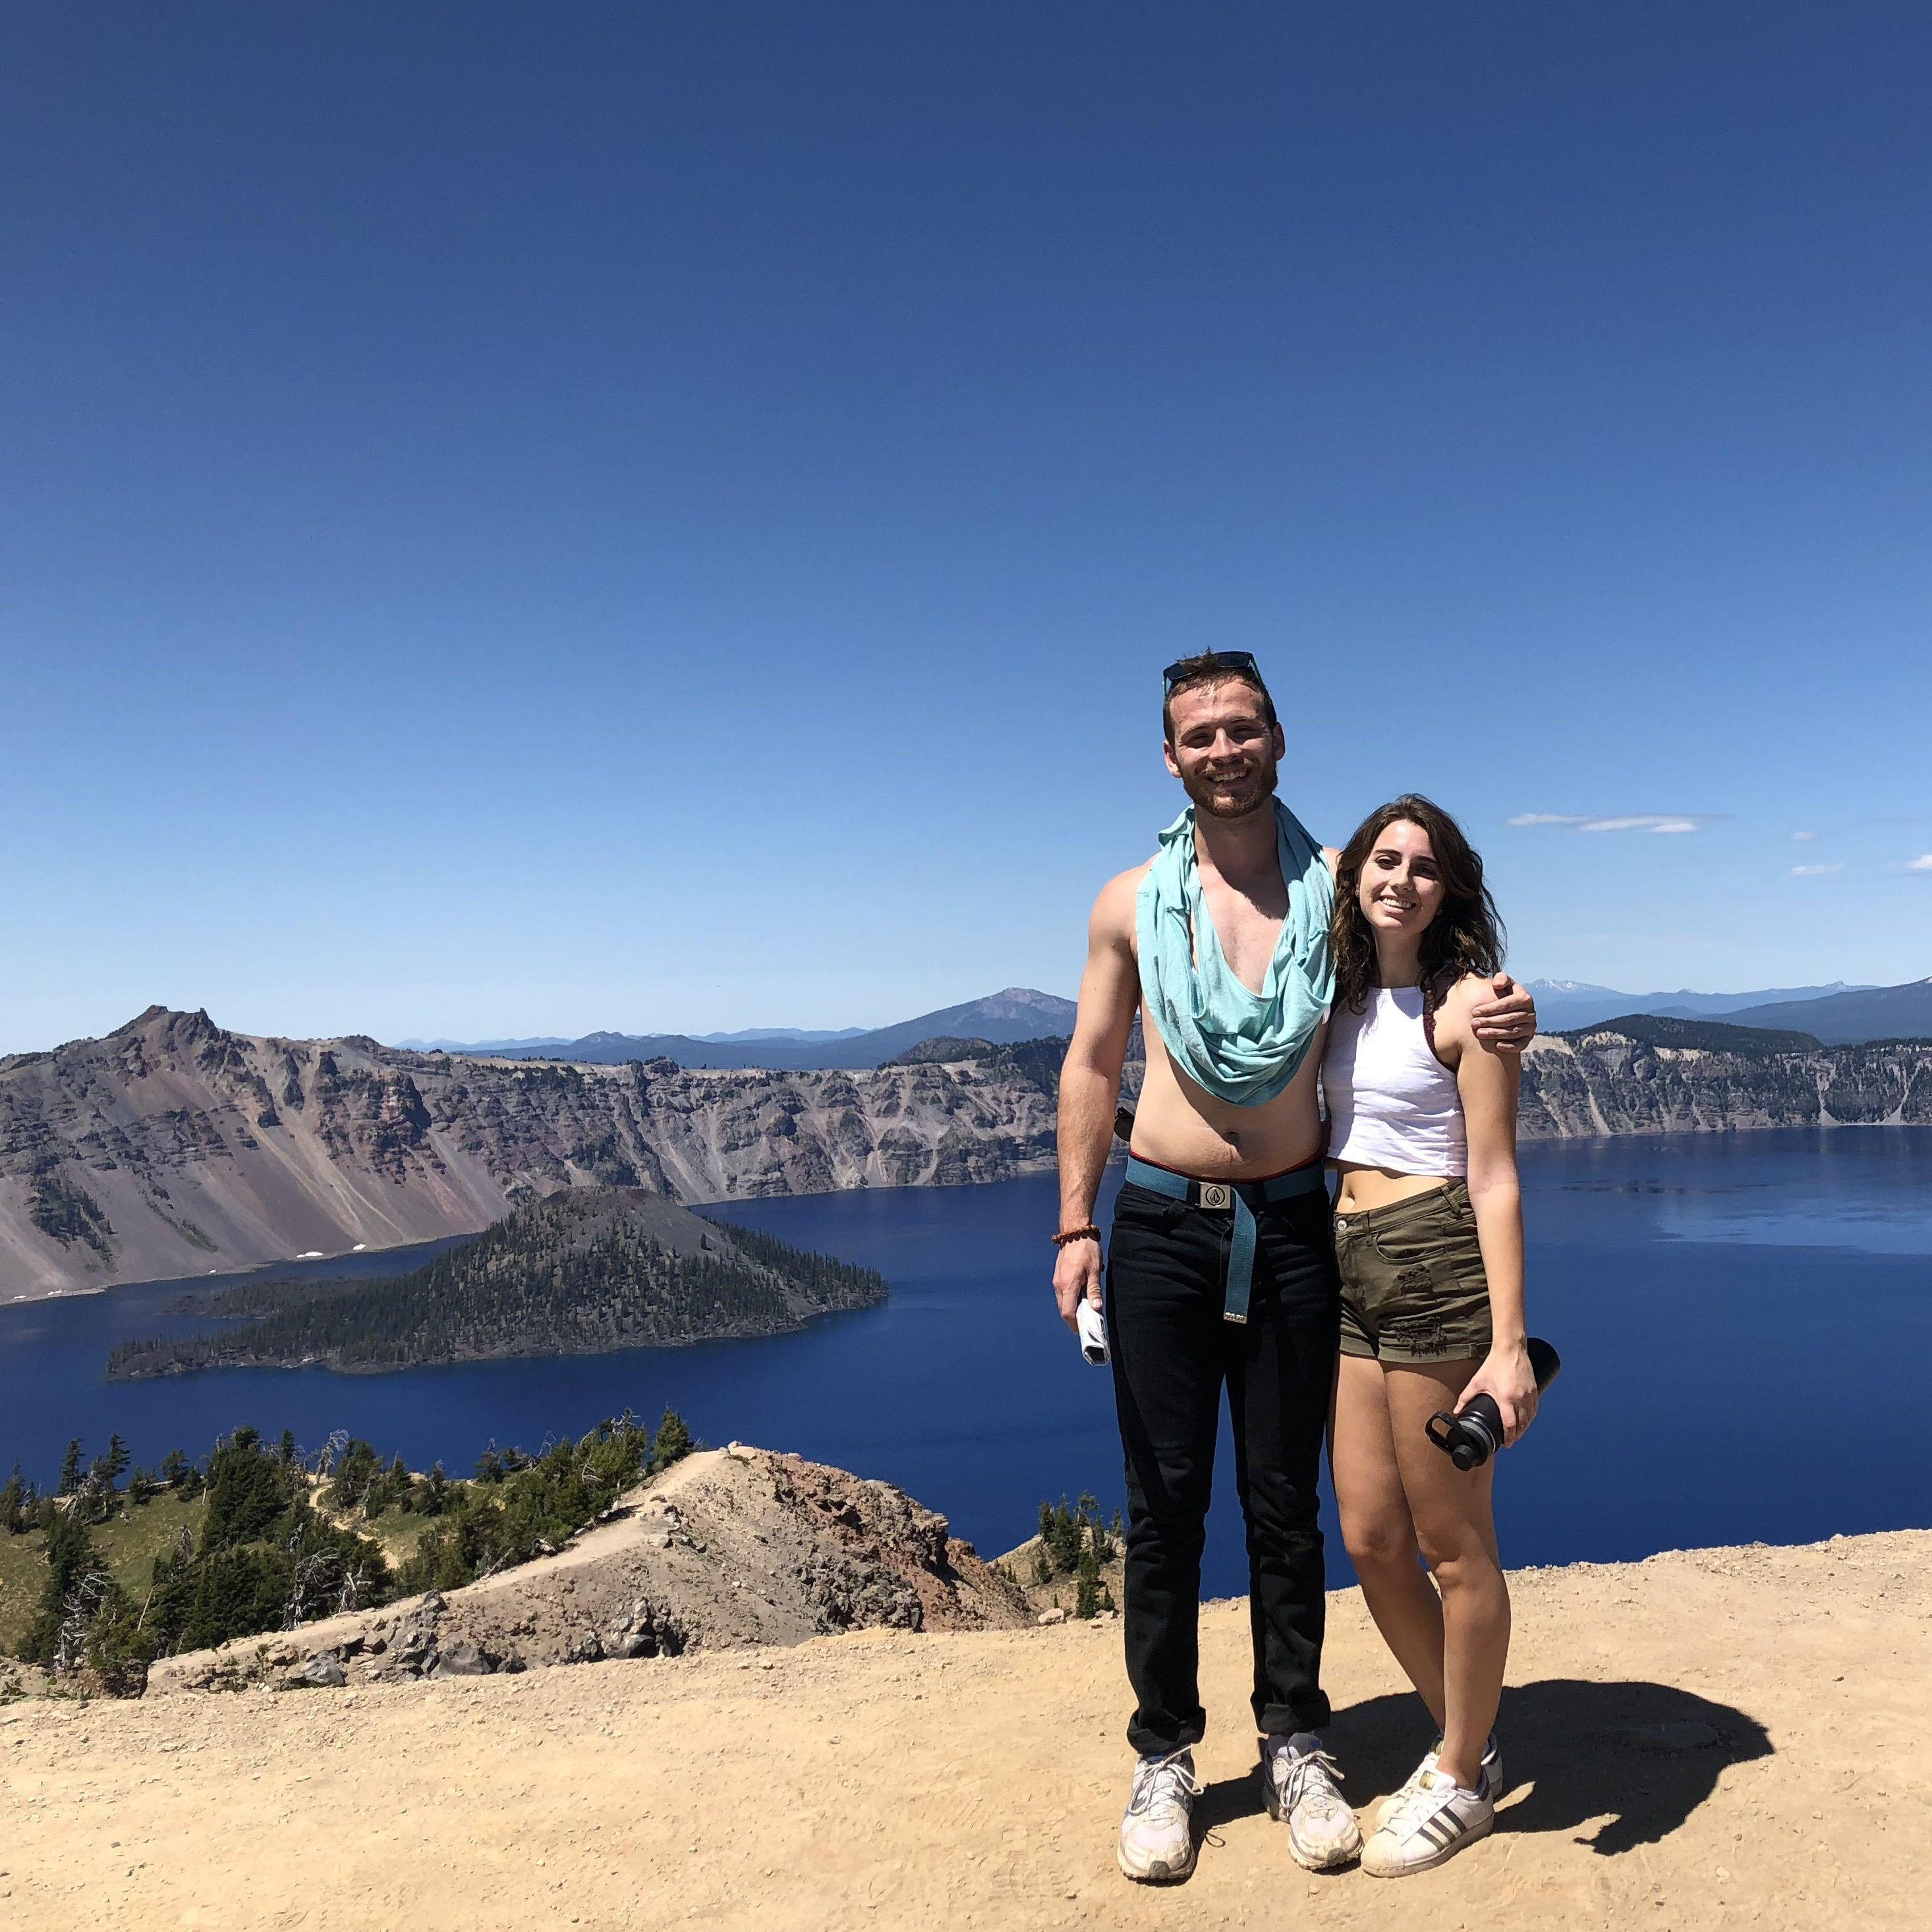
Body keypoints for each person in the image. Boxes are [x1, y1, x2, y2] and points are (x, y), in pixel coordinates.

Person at [1052, 654, 1537, 1884]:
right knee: (1164, 1504)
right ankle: (1165, 1753)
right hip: (1161, 1223)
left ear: (1279, 741)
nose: (1224, 750)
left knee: (1286, 1504)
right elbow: (1093, 1065)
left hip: (1295, 1229)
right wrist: (1074, 1225)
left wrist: (1502, 1006)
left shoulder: (1336, 891)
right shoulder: (1126, 901)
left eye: (1243, 729)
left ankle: (1297, 1739)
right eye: (1199, 735)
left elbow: (1427, 963)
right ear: (1171, 758)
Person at [1322, 795, 1536, 1877]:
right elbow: (1296, 852)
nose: (1399, 878)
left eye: (1425, 865)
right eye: (1383, 860)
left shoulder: (1470, 1009)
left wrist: (1510, 1344)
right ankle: (1470, 1731)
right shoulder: (1340, 993)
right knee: (1368, 1538)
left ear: (1451, 888)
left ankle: (1458, 1774)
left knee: (1454, 1545)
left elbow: (1494, 1175)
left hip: (1434, 1266)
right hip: (1345, 1270)